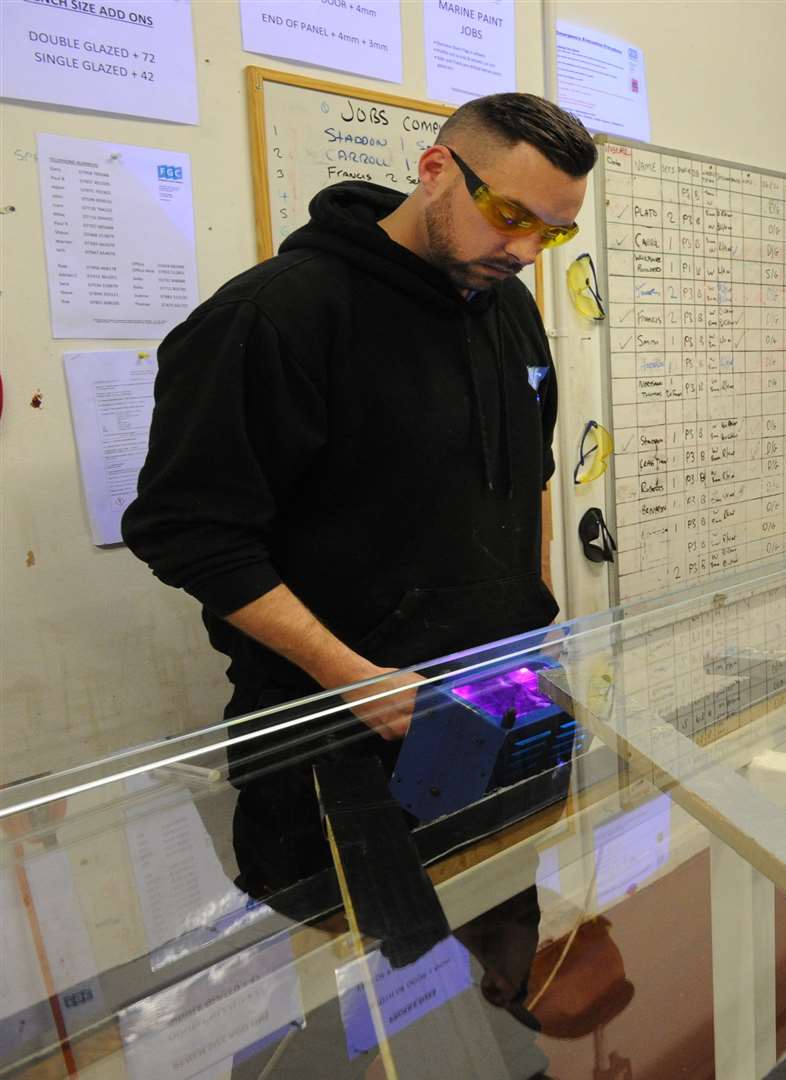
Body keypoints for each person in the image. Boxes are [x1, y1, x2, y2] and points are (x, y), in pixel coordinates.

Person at [124, 93, 597, 897]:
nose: (525, 250)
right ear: (436, 170)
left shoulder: (509, 306)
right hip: (339, 732)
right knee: (367, 981)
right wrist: (358, 680)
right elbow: (188, 532)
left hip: (498, 700)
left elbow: (528, 479)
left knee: (501, 920)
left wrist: (528, 617)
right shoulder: (276, 316)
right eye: (510, 215)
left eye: (553, 232)